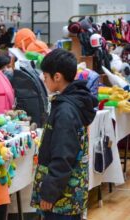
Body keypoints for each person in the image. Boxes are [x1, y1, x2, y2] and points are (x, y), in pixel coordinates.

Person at [30, 49, 98, 220]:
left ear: (57, 77)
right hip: (69, 194)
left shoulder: (65, 111)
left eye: (45, 77)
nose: (44, 81)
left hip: (62, 199)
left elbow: (63, 155)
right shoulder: (73, 102)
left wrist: (49, 192)